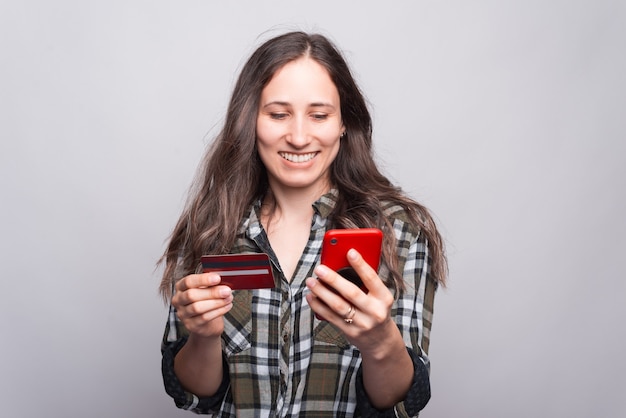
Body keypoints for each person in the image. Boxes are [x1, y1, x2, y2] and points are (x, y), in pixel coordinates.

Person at [159, 31, 447, 417]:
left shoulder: (400, 231)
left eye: (319, 115)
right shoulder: (213, 227)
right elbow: (195, 395)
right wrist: (203, 337)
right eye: (278, 114)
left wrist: (381, 343)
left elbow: (398, 403)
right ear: (251, 121)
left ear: (344, 123)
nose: (298, 137)